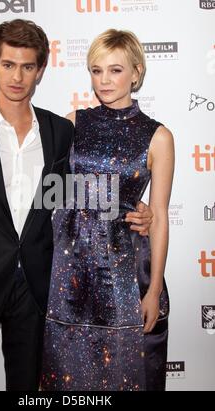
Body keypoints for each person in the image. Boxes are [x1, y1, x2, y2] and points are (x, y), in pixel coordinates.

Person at [0, 19, 153, 391]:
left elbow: (84, 190)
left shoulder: (60, 131)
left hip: (37, 290)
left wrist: (136, 207)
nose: (17, 76)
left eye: (28, 66)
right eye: (8, 64)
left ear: (40, 71)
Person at [41, 29, 174, 391]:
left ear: (136, 72)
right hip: (69, 273)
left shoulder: (158, 136)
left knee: (123, 374)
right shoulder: (72, 122)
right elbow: (48, 194)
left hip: (124, 273)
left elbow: (159, 216)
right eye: (96, 70)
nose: (104, 80)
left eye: (115, 70)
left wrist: (154, 288)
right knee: (66, 376)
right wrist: (110, 196)